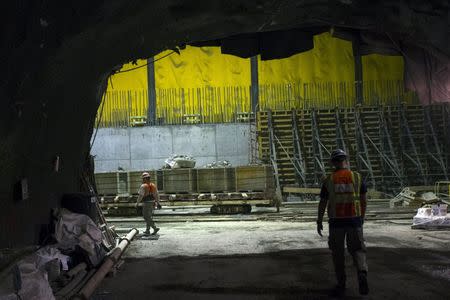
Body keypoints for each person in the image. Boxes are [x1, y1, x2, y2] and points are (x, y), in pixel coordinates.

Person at [317, 149, 369, 297]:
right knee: (358, 250)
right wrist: (362, 218)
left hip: (336, 223)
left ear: (333, 163)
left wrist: (319, 220)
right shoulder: (357, 177)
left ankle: (341, 284)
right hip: (354, 221)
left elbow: (323, 202)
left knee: (338, 254)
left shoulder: (329, 180)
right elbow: (364, 200)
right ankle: (362, 272)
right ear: (346, 160)